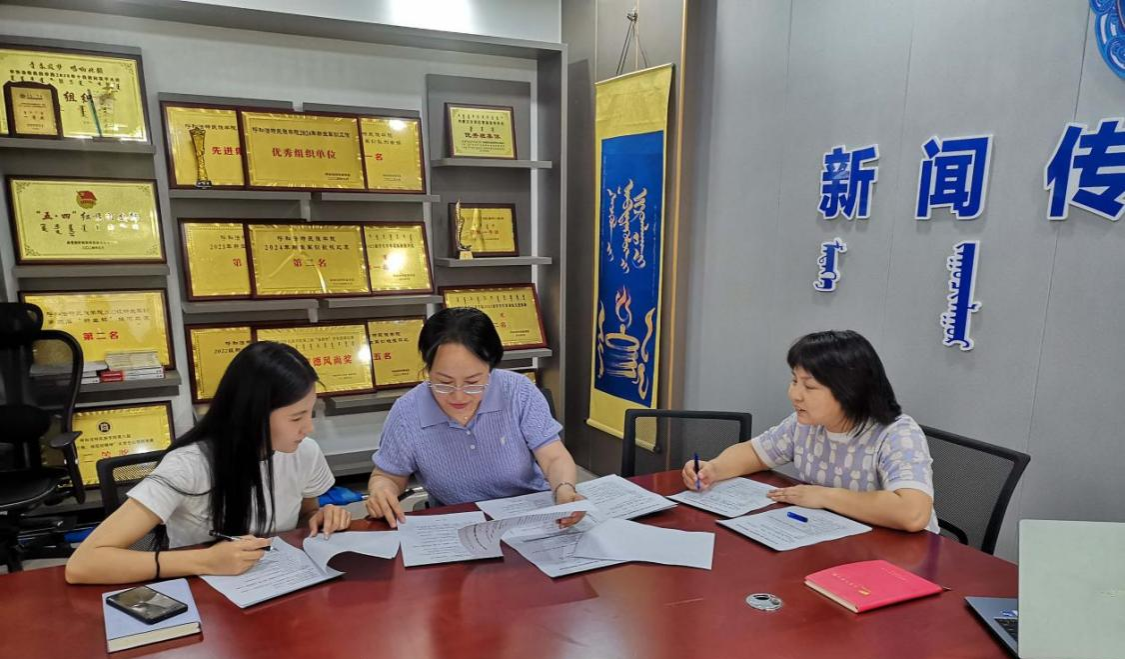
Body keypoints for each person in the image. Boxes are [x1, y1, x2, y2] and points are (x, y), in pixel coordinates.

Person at [65, 341, 351, 584]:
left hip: (278, 583)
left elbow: (304, 512)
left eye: (310, 413)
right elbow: (83, 564)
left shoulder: (304, 452)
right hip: (206, 594)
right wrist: (206, 560)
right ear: (252, 414)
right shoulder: (188, 466)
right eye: (296, 417)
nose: (308, 428)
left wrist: (318, 517)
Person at [683, 330, 937, 532]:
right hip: (833, 538)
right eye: (794, 381)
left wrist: (825, 497)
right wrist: (714, 469)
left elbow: (913, 513)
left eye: (810, 386)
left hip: (898, 558)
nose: (794, 394)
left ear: (849, 391)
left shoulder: (896, 434)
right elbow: (755, 452)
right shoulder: (805, 424)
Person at [365, 308, 583, 528]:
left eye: (473, 382)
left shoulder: (518, 392)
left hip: (528, 515)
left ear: (490, 368)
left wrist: (564, 490)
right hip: (457, 523)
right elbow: (388, 476)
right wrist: (382, 491)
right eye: (444, 383)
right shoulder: (407, 412)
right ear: (428, 369)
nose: (458, 396)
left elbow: (553, 457)